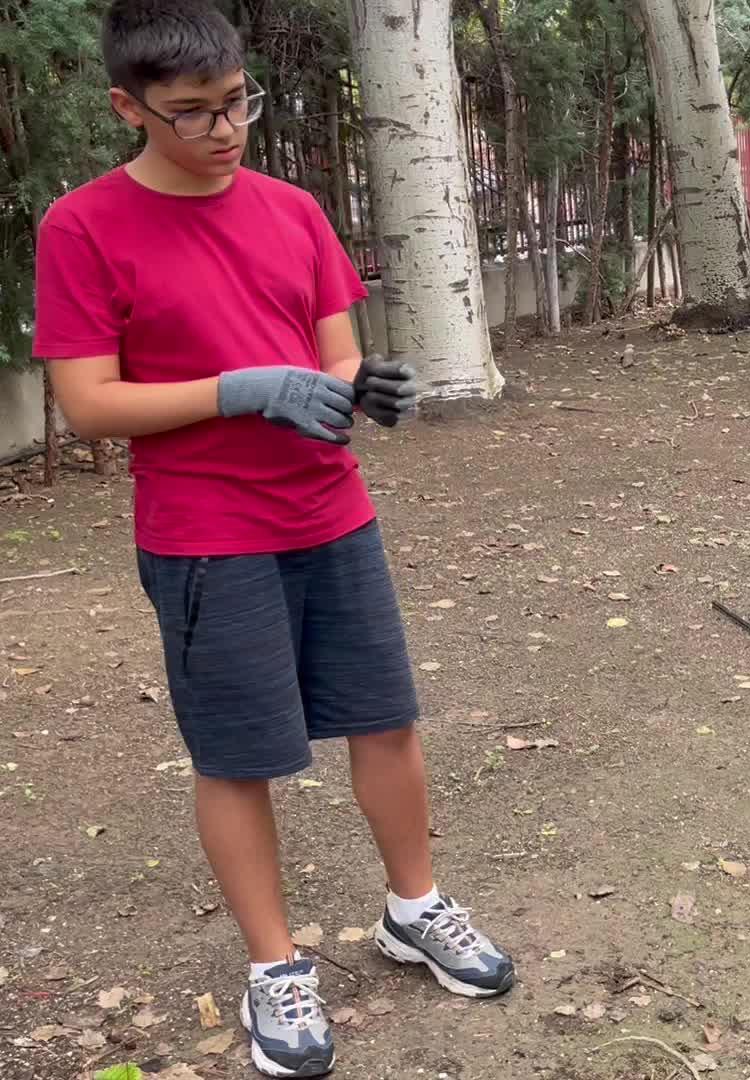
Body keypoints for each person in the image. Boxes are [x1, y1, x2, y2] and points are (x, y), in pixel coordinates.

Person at [32, 1, 514, 1075]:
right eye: (193, 112)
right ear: (128, 107)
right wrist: (240, 390)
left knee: (385, 720)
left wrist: (362, 387)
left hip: (330, 511)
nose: (225, 129)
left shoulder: (292, 209)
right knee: (239, 754)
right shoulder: (82, 226)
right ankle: (275, 968)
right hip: (206, 536)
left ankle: (415, 909)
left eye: (237, 101)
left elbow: (331, 353)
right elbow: (90, 403)